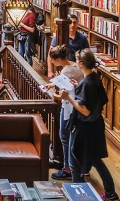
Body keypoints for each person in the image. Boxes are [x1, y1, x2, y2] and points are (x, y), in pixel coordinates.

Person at [59, 49, 119, 201]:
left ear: (80, 63)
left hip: (84, 128)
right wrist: (77, 85)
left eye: (77, 60)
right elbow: (99, 100)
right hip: (95, 125)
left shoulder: (87, 83)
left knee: (74, 161)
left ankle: (79, 196)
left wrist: (69, 98)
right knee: (94, 160)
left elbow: (85, 110)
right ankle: (110, 193)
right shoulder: (94, 78)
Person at [45, 45, 83, 181]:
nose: (52, 63)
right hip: (75, 106)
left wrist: (52, 94)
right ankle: (75, 167)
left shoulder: (66, 72)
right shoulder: (73, 65)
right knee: (69, 137)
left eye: (53, 61)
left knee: (64, 137)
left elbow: (62, 95)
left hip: (69, 108)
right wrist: (52, 84)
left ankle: (68, 168)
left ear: (59, 59)